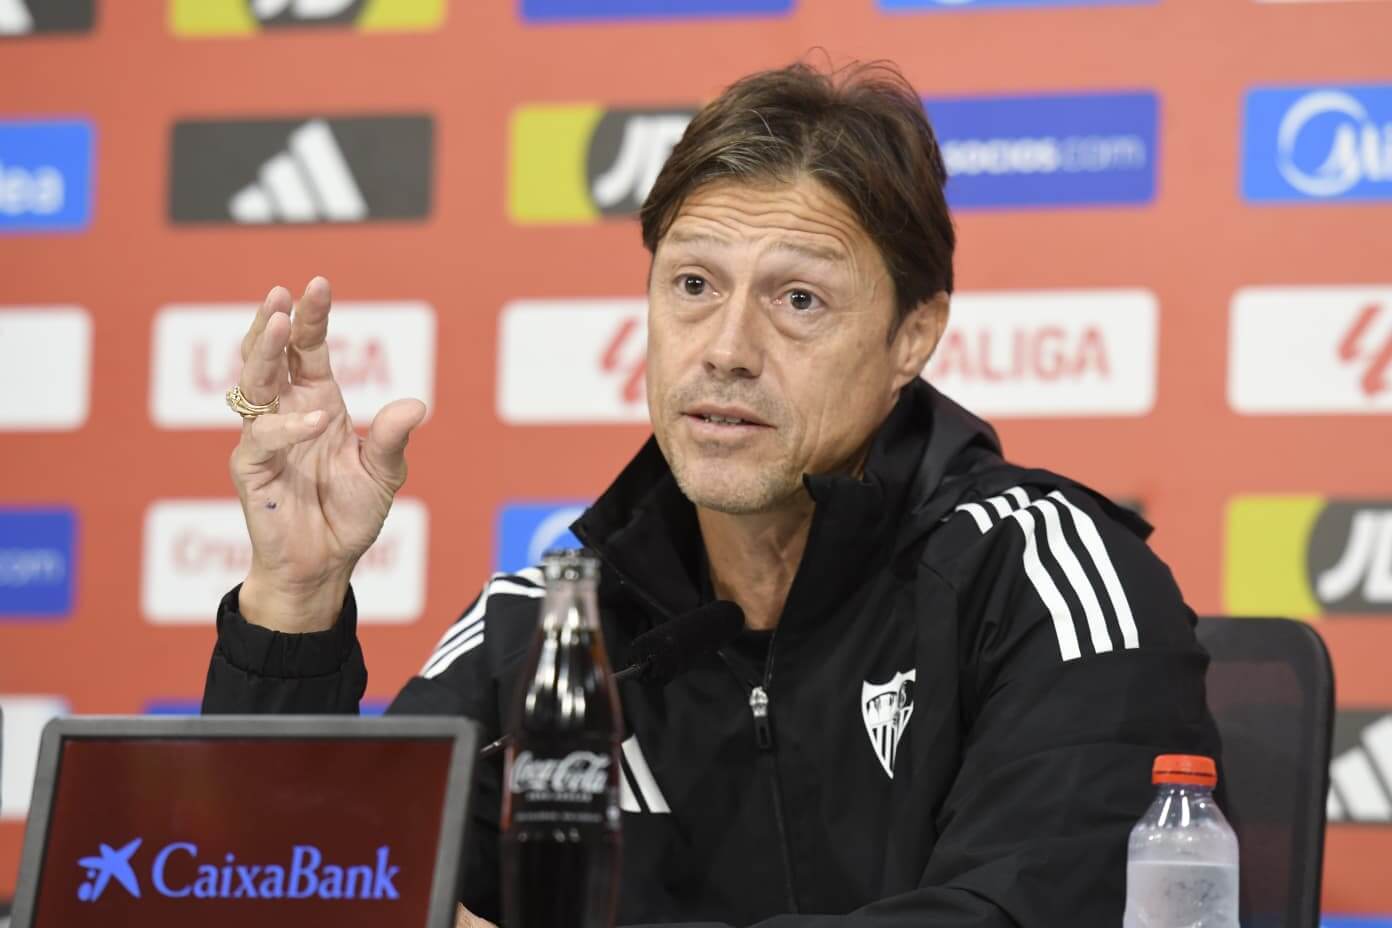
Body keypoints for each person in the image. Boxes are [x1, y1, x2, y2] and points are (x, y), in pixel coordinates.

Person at [203, 60, 1219, 927]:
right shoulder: (553, 624)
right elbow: (289, 890)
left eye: (799, 299)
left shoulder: (1050, 582)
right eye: (692, 285)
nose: (727, 351)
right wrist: (294, 603)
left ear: (913, 333)